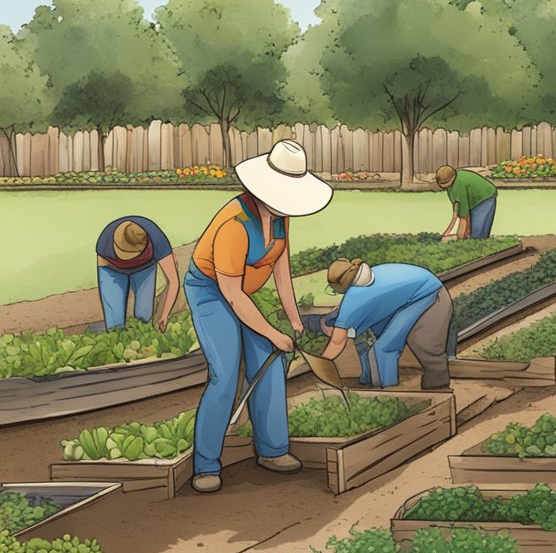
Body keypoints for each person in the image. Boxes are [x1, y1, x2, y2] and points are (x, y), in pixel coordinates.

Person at [185, 140, 332, 493]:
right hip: (210, 291)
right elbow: (231, 294)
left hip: (242, 293)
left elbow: (281, 264)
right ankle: (206, 465)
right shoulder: (235, 225)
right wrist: (271, 330)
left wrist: (294, 318)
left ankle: (272, 449)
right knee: (224, 373)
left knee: (269, 358)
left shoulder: (280, 220)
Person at [319, 259, 454, 390]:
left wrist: (322, 364)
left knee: (396, 347)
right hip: (410, 298)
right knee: (373, 342)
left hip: (431, 295)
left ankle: (426, 388)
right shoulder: (366, 277)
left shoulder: (355, 298)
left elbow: (337, 341)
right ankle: (373, 381)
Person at [95, 216, 180, 331]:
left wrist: (164, 315)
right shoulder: (106, 238)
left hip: (145, 268)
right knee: (114, 321)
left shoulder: (157, 239)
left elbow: (173, 281)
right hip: (113, 269)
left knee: (144, 315)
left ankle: (141, 336)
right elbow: (103, 269)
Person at [437, 164, 497, 240]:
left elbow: (464, 217)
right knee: (470, 231)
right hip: (473, 199)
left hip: (485, 197)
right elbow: (462, 212)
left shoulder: (459, 187)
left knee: (478, 233)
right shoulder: (452, 188)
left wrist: (461, 237)